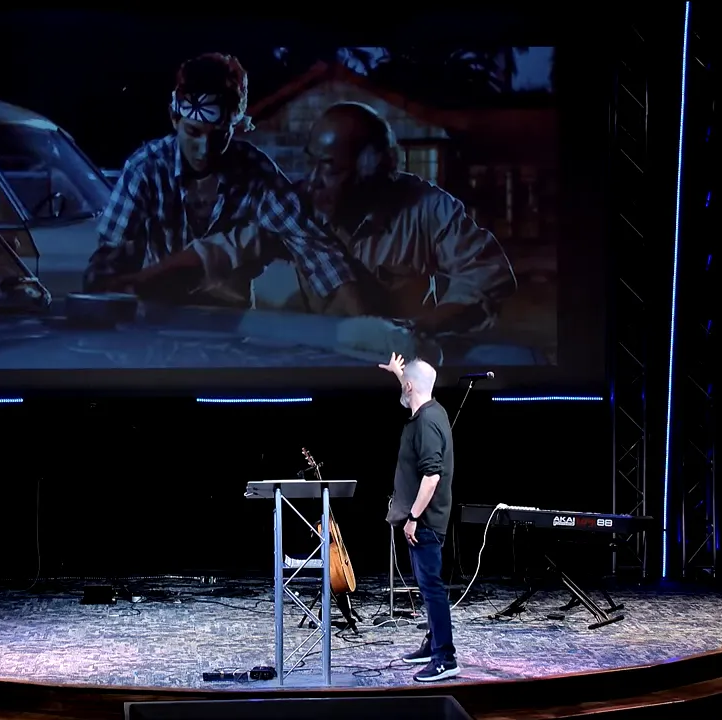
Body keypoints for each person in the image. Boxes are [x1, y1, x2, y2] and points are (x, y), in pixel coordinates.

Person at [193, 101, 515, 331]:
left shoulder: (427, 207)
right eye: (311, 162)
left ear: (372, 167)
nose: (313, 179)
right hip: (318, 365)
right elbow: (226, 248)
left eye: (330, 166)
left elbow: (489, 273)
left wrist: (428, 324)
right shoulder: (297, 204)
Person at [83, 53, 366, 314]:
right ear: (174, 118)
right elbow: (110, 256)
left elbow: (311, 244)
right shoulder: (145, 170)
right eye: (193, 132)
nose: (204, 149)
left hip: (231, 323)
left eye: (219, 136)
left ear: (236, 127)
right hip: (157, 320)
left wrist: (362, 321)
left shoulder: (256, 173)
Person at [378, 352, 459, 682]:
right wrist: (400, 375)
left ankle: (446, 656)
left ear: (410, 386)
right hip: (425, 520)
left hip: (425, 521)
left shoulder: (426, 422)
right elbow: (414, 388)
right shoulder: (432, 410)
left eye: (404, 383)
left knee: (432, 588)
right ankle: (432, 643)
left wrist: (412, 516)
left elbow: (432, 476)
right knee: (427, 588)